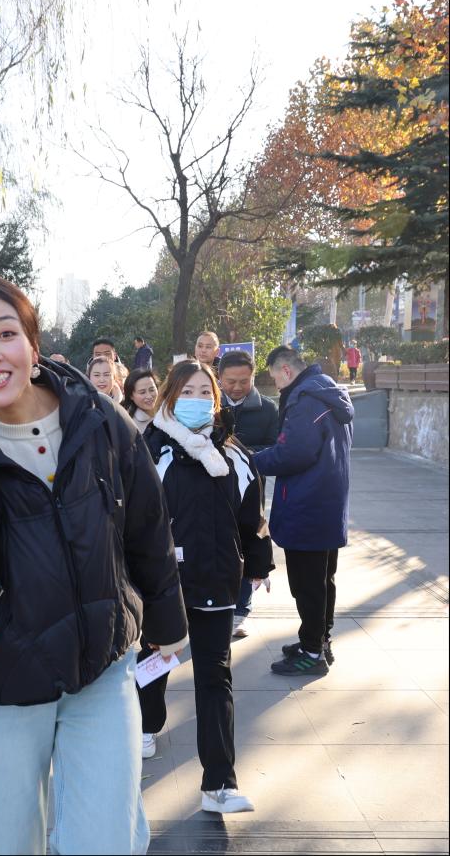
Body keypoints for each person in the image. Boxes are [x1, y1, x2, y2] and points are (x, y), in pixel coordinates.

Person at [0, 277, 188, 854]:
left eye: (6, 333)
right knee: (2, 843)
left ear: (33, 346)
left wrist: (167, 621)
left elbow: (147, 525)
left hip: (101, 668)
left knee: (106, 841)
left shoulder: (98, 420)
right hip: (3, 676)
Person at [140, 359, 272, 815]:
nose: (197, 400)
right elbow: (131, 523)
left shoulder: (234, 456)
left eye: (204, 392)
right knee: (156, 662)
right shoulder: (148, 452)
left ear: (215, 401)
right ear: (169, 398)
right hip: (164, 587)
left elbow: (252, 517)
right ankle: (146, 723)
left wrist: (259, 563)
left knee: (215, 679)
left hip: (217, 581)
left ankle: (219, 784)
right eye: (187, 392)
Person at [255, 346, 354, 676]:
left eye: (274, 378)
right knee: (322, 580)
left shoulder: (305, 399)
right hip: (326, 503)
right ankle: (319, 641)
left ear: (285, 371)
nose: (276, 385)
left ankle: (312, 654)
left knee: (308, 585)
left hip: (307, 505)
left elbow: (293, 453)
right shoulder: (327, 391)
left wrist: (251, 461)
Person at [217, 350, 281, 639]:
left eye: (244, 381)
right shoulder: (210, 404)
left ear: (253, 377)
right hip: (214, 491)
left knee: (248, 545)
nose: (237, 387)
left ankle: (241, 610)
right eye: (230, 381)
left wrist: (244, 457)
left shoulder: (267, 409)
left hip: (251, 492)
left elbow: (276, 448)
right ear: (220, 378)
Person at [122, 368, 158, 433]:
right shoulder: (130, 424)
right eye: (142, 392)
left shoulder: (168, 412)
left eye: (152, 390)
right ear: (131, 396)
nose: (149, 396)